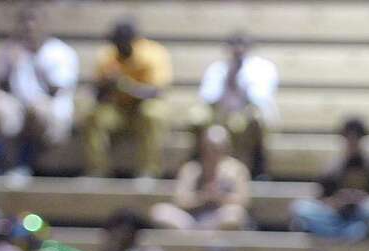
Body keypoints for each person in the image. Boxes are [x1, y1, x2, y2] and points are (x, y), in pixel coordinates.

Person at [0, 4, 79, 186]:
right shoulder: (12, 50)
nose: (29, 27)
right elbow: (1, 86)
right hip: (20, 108)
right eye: (24, 23)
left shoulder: (60, 52)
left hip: (52, 113)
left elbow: (55, 90)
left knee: (36, 108)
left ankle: (23, 165)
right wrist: (11, 66)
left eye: (34, 22)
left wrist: (34, 62)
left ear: (44, 26)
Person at [83, 19, 173, 180]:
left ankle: (148, 172)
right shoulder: (108, 55)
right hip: (118, 111)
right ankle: (97, 171)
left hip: (141, 109)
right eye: (116, 43)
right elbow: (96, 94)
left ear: (135, 41)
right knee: (93, 116)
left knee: (153, 113)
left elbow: (157, 92)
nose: (119, 47)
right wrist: (106, 85)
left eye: (122, 43)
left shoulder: (153, 53)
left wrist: (127, 86)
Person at [290, 116, 369, 240]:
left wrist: (365, 200)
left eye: (356, 137)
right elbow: (317, 196)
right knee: (301, 208)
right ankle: (346, 235)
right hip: (336, 218)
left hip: (364, 215)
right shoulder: (332, 167)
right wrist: (337, 202)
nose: (351, 142)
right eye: (347, 137)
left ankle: (345, 234)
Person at [192, 32, 279, 177]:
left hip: (248, 110)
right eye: (233, 45)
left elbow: (260, 98)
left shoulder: (263, 68)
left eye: (242, 45)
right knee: (196, 117)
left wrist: (240, 82)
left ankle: (256, 166)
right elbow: (207, 96)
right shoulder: (217, 69)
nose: (238, 49)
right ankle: (199, 160)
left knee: (248, 121)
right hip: (221, 110)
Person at [150, 124, 251, 231]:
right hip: (191, 221)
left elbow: (243, 201)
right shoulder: (191, 169)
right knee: (160, 211)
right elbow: (180, 200)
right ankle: (194, 236)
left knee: (233, 214)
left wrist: (219, 197)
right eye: (209, 147)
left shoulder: (236, 169)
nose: (212, 152)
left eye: (217, 148)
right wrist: (202, 196)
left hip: (218, 220)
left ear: (226, 148)